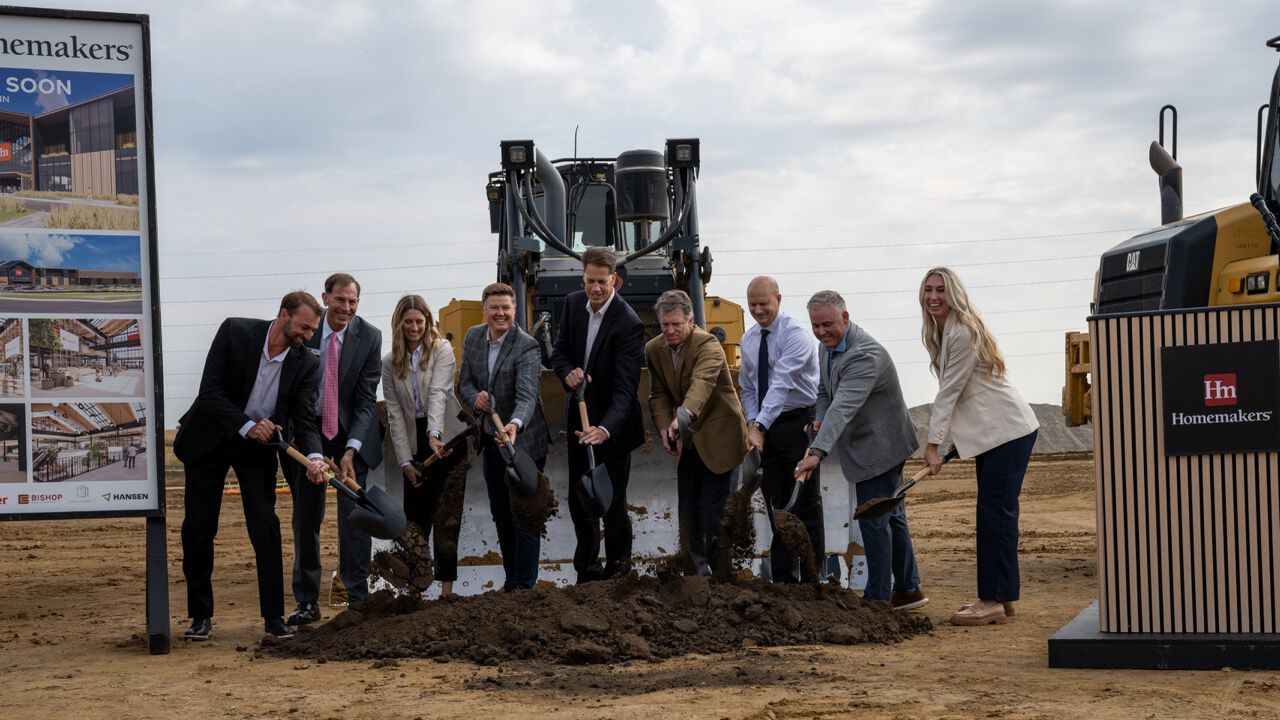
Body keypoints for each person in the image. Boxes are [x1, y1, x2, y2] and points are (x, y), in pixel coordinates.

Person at [173, 291, 329, 641]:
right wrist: (247, 424)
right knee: (199, 528)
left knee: (265, 526)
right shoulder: (235, 332)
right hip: (210, 437)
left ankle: (273, 616)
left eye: (312, 330)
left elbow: (303, 419)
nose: (307, 336)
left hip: (257, 448)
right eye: (303, 327)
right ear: (283, 315)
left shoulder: (307, 362)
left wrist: (315, 457)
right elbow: (210, 392)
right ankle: (200, 616)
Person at [918, 267, 1039, 626]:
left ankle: (991, 601)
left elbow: (950, 393)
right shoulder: (942, 333)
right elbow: (966, 397)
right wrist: (953, 441)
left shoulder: (962, 332)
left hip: (1007, 432)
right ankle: (1002, 596)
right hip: (995, 434)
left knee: (993, 516)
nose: (934, 296)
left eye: (941, 290)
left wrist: (933, 444)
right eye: (928, 290)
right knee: (998, 515)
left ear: (953, 293)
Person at [794, 290, 926, 610]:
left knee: (872, 519)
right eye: (815, 326)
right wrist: (819, 420)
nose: (821, 331)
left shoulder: (864, 355)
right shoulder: (828, 348)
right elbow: (825, 393)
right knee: (891, 516)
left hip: (882, 446)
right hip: (870, 443)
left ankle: (879, 598)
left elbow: (844, 406)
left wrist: (817, 451)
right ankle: (909, 590)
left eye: (827, 324)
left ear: (845, 318)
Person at [286, 273, 384, 625]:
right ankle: (307, 602)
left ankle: (358, 599)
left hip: (348, 438)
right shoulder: (305, 332)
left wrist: (352, 450)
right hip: (306, 432)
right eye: (340, 300)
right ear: (325, 298)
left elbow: (365, 399)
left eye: (353, 302)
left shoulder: (369, 337)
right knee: (307, 519)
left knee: (355, 518)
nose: (346, 308)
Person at [549, 247, 644, 583]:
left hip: (613, 428)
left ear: (614, 279)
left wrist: (605, 430)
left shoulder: (629, 324)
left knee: (612, 503)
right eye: (590, 281)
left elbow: (625, 391)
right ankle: (587, 572)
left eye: (602, 282)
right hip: (579, 423)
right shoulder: (573, 305)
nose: (596, 288)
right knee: (581, 502)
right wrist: (567, 374)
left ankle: (619, 573)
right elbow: (559, 353)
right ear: (583, 278)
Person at [645, 289, 747, 576]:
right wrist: (666, 427)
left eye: (677, 324)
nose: (670, 331)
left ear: (690, 320)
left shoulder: (709, 345)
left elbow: (701, 384)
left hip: (720, 437)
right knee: (688, 509)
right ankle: (694, 574)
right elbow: (658, 394)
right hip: (688, 440)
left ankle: (723, 576)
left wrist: (683, 417)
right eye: (665, 325)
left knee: (715, 512)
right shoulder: (654, 349)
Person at [457, 282, 550, 591]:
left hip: (523, 442)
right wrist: (475, 400)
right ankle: (512, 581)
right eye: (494, 308)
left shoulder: (526, 345)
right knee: (501, 511)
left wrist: (514, 425)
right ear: (485, 310)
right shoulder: (473, 337)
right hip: (490, 439)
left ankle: (525, 585)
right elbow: (465, 382)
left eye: (506, 308)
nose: (501, 313)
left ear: (514, 310)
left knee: (525, 514)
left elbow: (527, 395)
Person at [739, 276, 824, 583]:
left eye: (764, 304)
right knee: (776, 502)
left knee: (805, 502)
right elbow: (748, 387)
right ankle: (785, 581)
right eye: (752, 305)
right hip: (765, 427)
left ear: (779, 299)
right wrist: (752, 424)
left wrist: (759, 424)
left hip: (798, 422)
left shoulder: (796, 334)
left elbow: (781, 384)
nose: (758, 310)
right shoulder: (749, 340)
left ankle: (815, 579)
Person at [382, 294, 468, 597]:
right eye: (408, 322)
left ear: (428, 322)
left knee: (447, 516)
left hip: (447, 439)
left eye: (419, 321)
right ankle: (415, 590)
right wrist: (405, 462)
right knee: (415, 517)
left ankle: (446, 590)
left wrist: (435, 434)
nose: (414, 327)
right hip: (414, 439)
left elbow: (439, 393)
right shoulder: (390, 362)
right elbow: (394, 413)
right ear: (399, 324)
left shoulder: (442, 349)